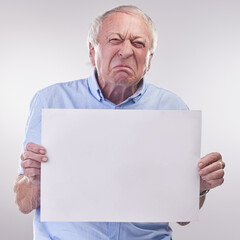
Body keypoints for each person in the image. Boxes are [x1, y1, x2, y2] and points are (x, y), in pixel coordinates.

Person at [13, 5, 225, 240]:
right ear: (92, 51)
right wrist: (34, 179)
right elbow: (23, 203)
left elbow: (182, 217)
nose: (126, 51)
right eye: (115, 39)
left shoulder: (172, 107)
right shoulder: (50, 101)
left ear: (150, 59)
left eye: (138, 43)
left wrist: (200, 186)